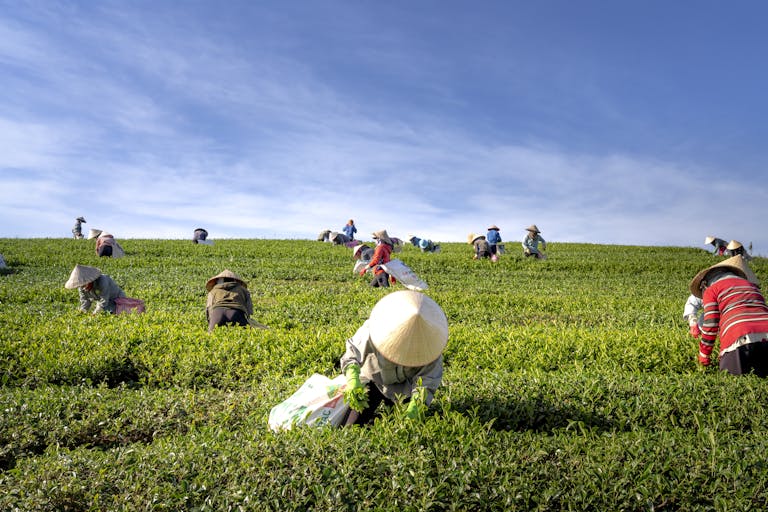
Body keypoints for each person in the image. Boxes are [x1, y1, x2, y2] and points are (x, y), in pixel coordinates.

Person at [340, 290, 448, 425]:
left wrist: (414, 409)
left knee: (401, 428)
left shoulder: (431, 350)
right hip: (373, 380)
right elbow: (352, 353)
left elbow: (425, 385)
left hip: (404, 390)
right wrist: (353, 379)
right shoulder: (374, 329)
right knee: (351, 426)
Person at [689, 255, 768, 375]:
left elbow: (711, 323)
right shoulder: (752, 287)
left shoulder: (712, 289)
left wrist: (704, 355)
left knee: (732, 380)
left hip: (739, 336)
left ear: (705, 284)